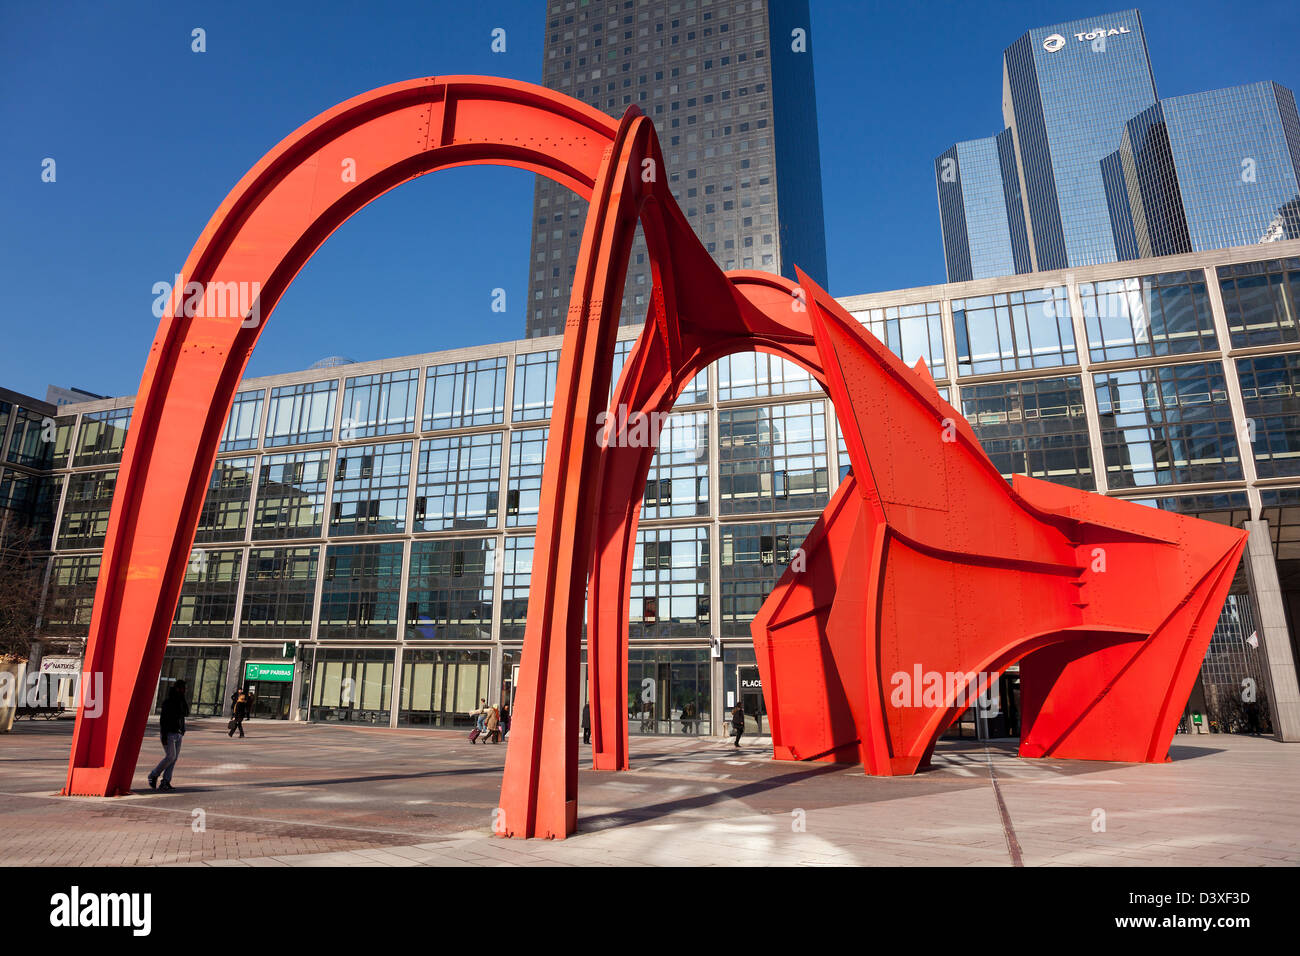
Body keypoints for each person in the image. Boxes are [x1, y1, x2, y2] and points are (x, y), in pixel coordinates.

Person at [148, 680, 189, 791]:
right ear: (178, 688)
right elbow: (164, 719)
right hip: (169, 733)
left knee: (173, 758)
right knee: (170, 756)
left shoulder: (180, 700)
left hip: (178, 733)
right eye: (183, 688)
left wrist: (182, 729)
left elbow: (186, 713)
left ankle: (165, 782)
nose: (185, 690)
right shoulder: (169, 701)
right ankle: (153, 775)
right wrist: (164, 734)